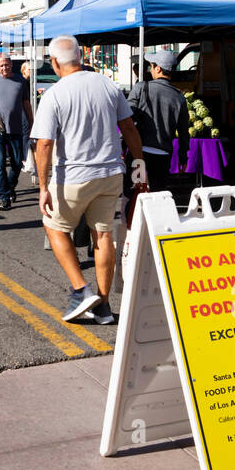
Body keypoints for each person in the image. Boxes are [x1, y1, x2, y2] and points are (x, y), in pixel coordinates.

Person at [31, 35, 145, 325]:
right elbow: (129, 127)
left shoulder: (54, 94)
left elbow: (44, 144)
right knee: (103, 236)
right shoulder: (108, 85)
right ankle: (104, 305)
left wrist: (43, 187)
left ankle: (81, 289)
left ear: (55, 62)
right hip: (110, 173)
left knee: (54, 228)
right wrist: (139, 163)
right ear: (80, 57)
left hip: (72, 176)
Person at [127, 50, 190, 192]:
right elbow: (183, 133)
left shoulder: (141, 88)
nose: (150, 69)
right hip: (163, 156)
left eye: (151, 65)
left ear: (158, 68)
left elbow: (127, 119)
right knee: (158, 196)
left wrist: (122, 144)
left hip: (139, 153)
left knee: (134, 194)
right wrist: (183, 158)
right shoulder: (179, 97)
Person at [0, 54, 33, 211]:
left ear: (11, 64)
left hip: (16, 129)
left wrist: (32, 124)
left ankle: (11, 186)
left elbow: (26, 104)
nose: (4, 68)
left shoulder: (20, 81)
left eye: (6, 65)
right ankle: (4, 197)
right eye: (1, 66)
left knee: (16, 163)